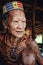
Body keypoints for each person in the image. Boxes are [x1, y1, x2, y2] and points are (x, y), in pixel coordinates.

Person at [0, 1, 43, 65]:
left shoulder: (29, 43)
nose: (21, 27)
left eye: (23, 21)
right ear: (5, 24)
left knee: (29, 56)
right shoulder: (1, 40)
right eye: (16, 21)